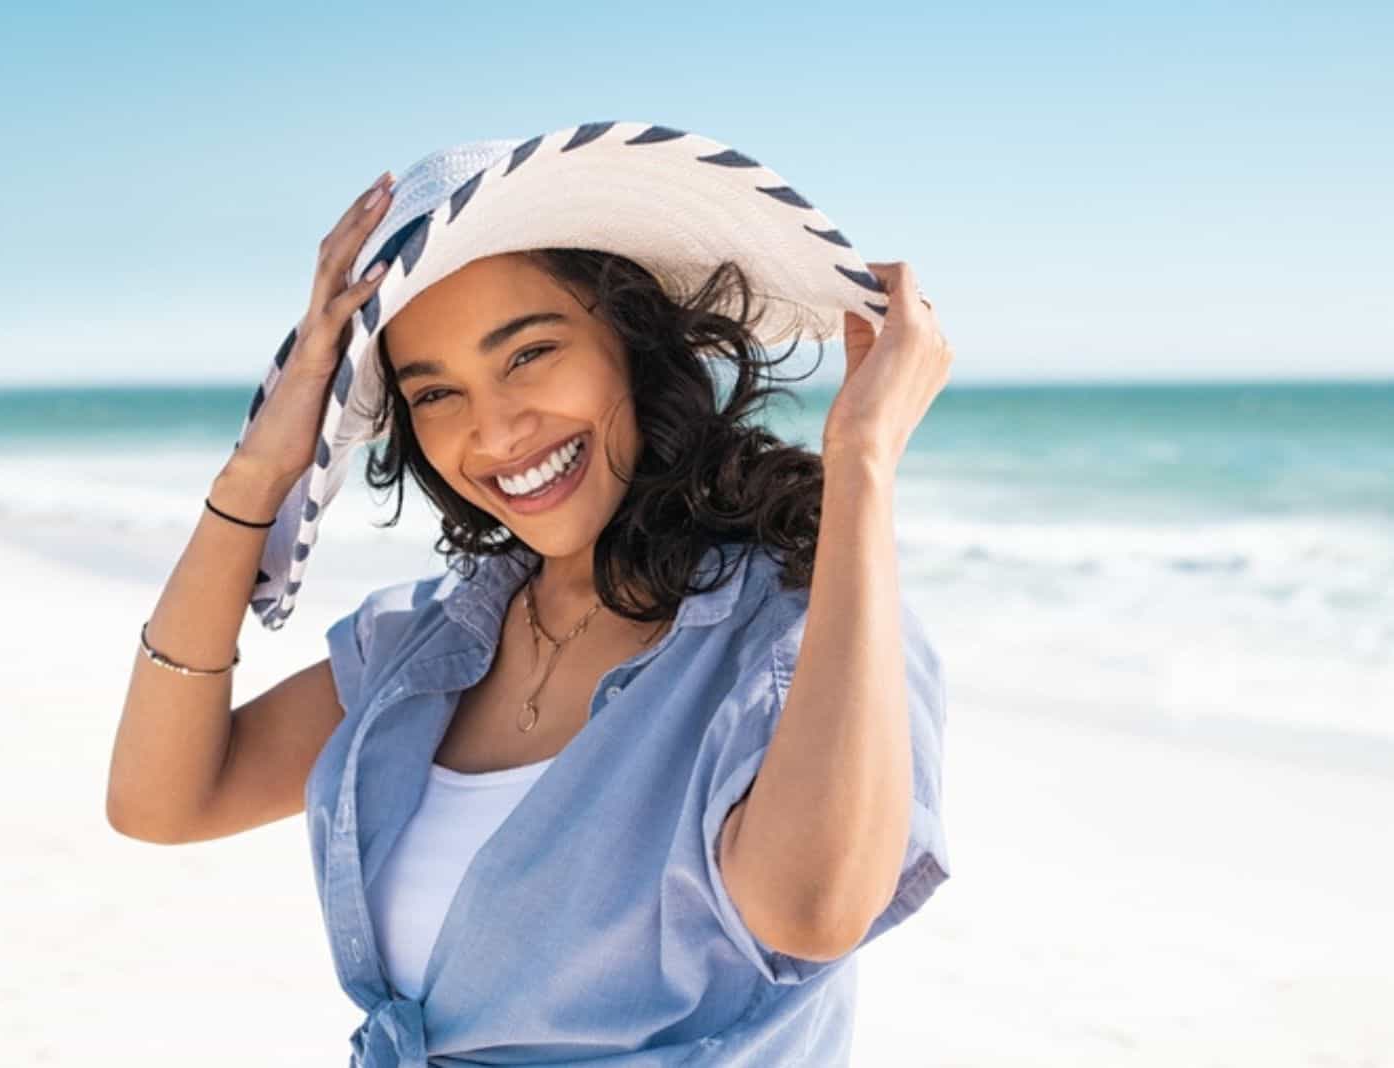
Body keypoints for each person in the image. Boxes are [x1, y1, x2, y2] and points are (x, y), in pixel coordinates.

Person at [108, 122, 955, 1066]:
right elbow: (160, 801)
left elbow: (811, 911)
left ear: (633, 343)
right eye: (435, 395)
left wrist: (862, 466)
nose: (498, 430)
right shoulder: (421, 647)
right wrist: (261, 473)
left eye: (528, 354)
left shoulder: (801, 631)